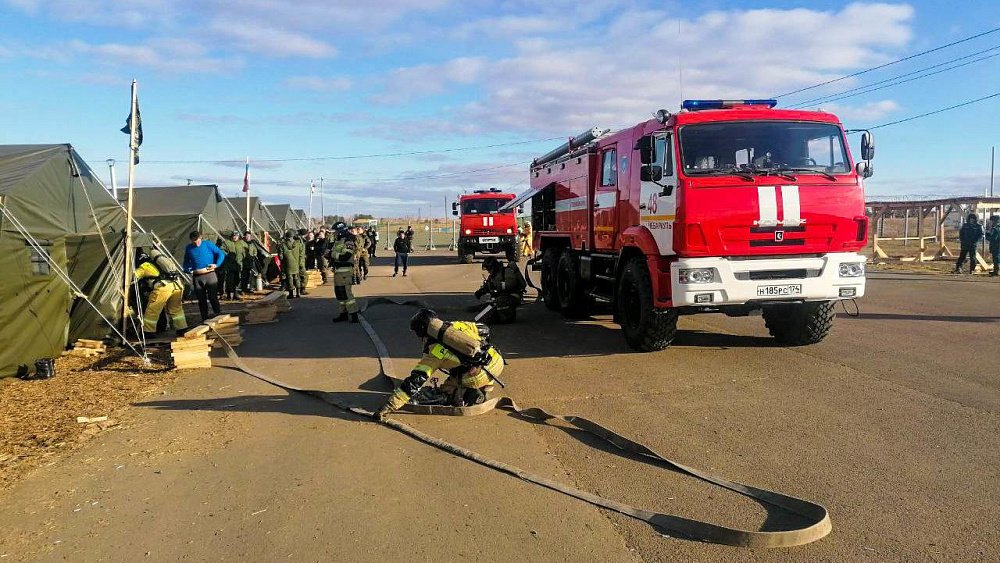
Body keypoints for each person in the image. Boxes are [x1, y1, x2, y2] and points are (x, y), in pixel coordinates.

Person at [373, 308, 504, 421]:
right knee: (465, 366)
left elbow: (416, 380)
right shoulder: (456, 326)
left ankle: (460, 393)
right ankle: (486, 387)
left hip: (476, 376)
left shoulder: (434, 352)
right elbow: (485, 329)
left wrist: (389, 405)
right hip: (497, 361)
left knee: (444, 391)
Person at [134, 249, 188, 338]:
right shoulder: (163, 263)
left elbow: (134, 277)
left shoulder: (145, 265)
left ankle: (148, 333)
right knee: (176, 310)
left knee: (152, 310)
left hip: (163, 287)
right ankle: (182, 329)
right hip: (177, 285)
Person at [183, 230, 225, 321]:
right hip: (197, 277)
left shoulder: (207, 244)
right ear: (191, 240)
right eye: (194, 241)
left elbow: (220, 254)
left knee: (213, 297)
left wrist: (216, 264)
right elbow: (186, 262)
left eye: (198, 240)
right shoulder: (189, 248)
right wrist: (187, 270)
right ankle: (204, 318)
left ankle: (218, 315)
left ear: (200, 238)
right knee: (201, 299)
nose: (196, 243)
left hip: (210, 275)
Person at [474, 257, 527, 323]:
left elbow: (511, 284)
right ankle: (480, 318)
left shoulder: (507, 271)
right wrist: (481, 291)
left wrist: (496, 285)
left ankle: (502, 317)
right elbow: (488, 285)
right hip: (500, 298)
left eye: (489, 269)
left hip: (512, 296)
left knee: (497, 305)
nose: (488, 271)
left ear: (494, 267)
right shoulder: (492, 276)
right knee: (480, 315)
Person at [329, 223, 359, 323]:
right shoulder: (338, 242)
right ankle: (343, 314)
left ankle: (354, 314)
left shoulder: (348, 241)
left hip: (345, 271)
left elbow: (345, 256)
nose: (335, 234)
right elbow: (332, 255)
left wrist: (332, 254)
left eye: (336, 232)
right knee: (339, 294)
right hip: (338, 271)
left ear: (341, 231)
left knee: (347, 293)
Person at [278, 229, 307, 298]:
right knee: (297, 278)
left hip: (287, 264)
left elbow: (280, 256)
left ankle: (291, 294)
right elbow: (302, 252)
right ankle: (298, 293)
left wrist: (283, 261)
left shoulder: (283, 245)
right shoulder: (298, 244)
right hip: (296, 264)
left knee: (289, 278)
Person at [218, 230, 246, 300]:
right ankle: (228, 295)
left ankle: (235, 294)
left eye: (236, 236)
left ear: (238, 236)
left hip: (238, 265)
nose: (235, 237)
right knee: (229, 281)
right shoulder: (227, 242)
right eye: (233, 236)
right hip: (229, 265)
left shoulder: (241, 243)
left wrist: (243, 257)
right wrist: (227, 255)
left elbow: (245, 251)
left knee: (237, 280)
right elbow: (221, 250)